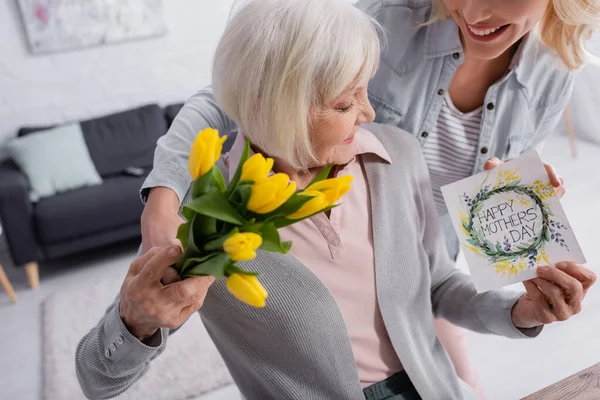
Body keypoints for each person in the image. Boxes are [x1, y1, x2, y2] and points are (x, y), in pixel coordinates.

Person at [75, 1, 596, 399]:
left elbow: (435, 285)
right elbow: (98, 378)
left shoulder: (397, 158)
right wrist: (136, 317)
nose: (372, 114)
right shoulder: (208, 229)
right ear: (278, 104)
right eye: (348, 101)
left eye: (367, 90)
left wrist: (524, 307)